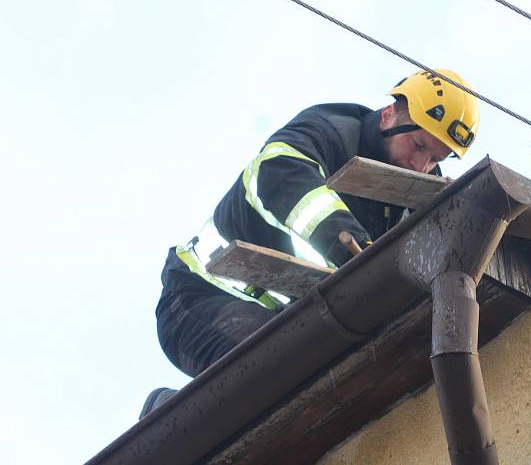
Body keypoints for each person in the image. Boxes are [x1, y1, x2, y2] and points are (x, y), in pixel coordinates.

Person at [140, 69, 480, 418]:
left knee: (327, 385)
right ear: (388, 115)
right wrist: (355, 250)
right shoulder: (329, 132)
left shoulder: (416, 191)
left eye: (436, 159)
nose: (421, 165)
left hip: (281, 318)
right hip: (200, 295)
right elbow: (279, 175)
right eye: (419, 145)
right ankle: (166, 417)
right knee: (273, 373)